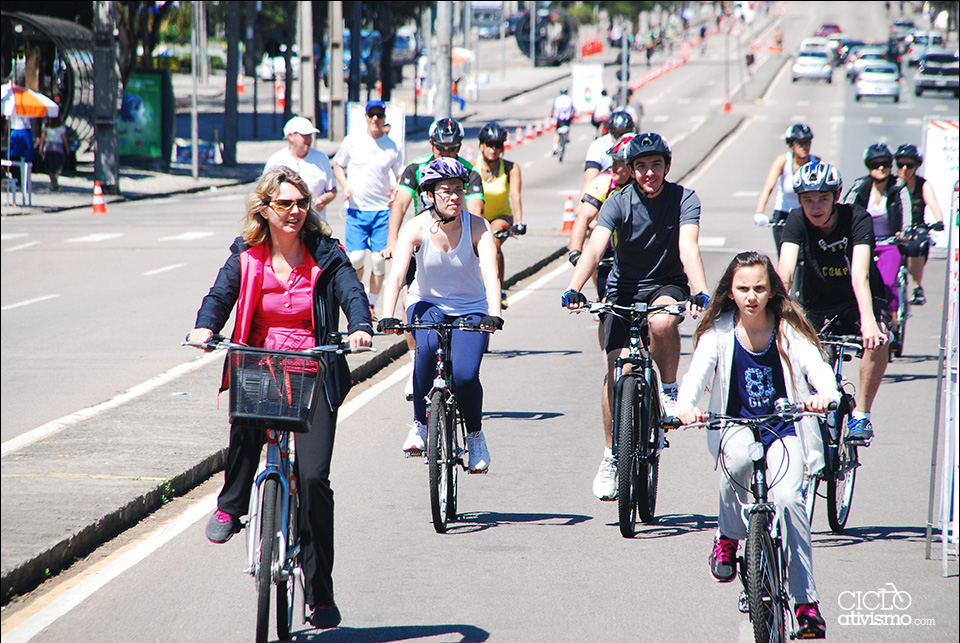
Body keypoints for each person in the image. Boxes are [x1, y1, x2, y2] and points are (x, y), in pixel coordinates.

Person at [187, 167, 374, 630]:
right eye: (285, 203)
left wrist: (359, 326)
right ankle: (232, 506)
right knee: (246, 431)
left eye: (301, 203)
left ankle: (320, 591)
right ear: (265, 208)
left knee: (313, 480)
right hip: (261, 365)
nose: (294, 212)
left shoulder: (326, 254)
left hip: (314, 369)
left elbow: (351, 292)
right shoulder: (247, 255)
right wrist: (206, 327)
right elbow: (219, 296)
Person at [675, 251, 835, 639]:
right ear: (730, 291)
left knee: (790, 500)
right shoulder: (719, 333)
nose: (751, 296)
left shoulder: (787, 329)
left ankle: (806, 605)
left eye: (759, 288)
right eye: (743, 288)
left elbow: (817, 366)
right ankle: (728, 537)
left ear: (772, 291)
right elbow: (696, 376)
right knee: (738, 460)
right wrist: (685, 408)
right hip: (736, 425)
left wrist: (825, 394)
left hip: (785, 428)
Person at [562, 133, 710, 500]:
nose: (649, 173)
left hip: (666, 285)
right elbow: (595, 248)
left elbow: (688, 247)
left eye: (656, 164)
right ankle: (612, 456)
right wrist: (574, 287)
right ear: (630, 169)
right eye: (641, 166)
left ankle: (670, 389)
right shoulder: (617, 201)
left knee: (662, 322)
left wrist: (700, 289)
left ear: (667, 166)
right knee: (616, 374)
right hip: (623, 289)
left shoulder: (684, 199)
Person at [378, 158, 503, 470]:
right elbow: (397, 275)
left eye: (459, 190)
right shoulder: (416, 227)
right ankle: (420, 426)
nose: (454, 197)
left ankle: (475, 437)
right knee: (427, 349)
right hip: (427, 303)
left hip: (470, 307)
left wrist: (494, 313)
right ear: (430, 195)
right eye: (446, 191)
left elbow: (490, 272)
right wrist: (387, 315)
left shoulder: (478, 226)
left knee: (464, 375)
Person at [778, 161, 889, 446]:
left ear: (837, 196)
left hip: (859, 299)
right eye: (807, 200)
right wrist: (775, 315)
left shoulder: (857, 218)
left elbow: (860, 274)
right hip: (818, 303)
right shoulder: (796, 220)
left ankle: (861, 414)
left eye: (823, 199)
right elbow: (784, 273)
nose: (815, 207)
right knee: (803, 355)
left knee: (879, 339)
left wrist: (868, 321)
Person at [384, 117, 484, 404]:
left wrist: (476, 240)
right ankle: (417, 361)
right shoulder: (416, 168)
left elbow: (475, 209)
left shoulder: (468, 172)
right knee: (409, 300)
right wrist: (392, 241)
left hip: (455, 240)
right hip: (420, 242)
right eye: (442, 148)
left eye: (453, 148)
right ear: (431, 145)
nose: (447, 153)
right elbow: (400, 204)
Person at [331, 100, 404, 320]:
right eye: (371, 115)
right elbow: (338, 164)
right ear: (365, 117)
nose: (375, 119)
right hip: (357, 209)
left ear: (384, 119)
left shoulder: (391, 146)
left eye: (379, 115)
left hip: (382, 211)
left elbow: (400, 175)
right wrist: (345, 186)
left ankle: (371, 304)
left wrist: (395, 193)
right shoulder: (353, 140)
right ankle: (359, 296)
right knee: (356, 258)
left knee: (379, 260)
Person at [841, 143, 913, 348]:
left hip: (890, 243)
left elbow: (906, 212)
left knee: (888, 282)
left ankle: (892, 323)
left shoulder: (898, 187)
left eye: (885, 164)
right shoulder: (860, 186)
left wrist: (905, 231)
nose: (880, 168)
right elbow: (845, 209)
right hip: (863, 244)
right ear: (868, 166)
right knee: (858, 280)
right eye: (875, 164)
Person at [568, 133, 635, 302]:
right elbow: (583, 217)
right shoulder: (605, 180)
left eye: (619, 163)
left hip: (637, 255)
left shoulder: (645, 186)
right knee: (607, 304)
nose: (614, 168)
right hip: (609, 251)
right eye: (613, 162)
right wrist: (575, 252)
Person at [476, 121, 525, 309]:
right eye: (489, 144)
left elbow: (515, 195)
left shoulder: (511, 168)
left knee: (494, 243)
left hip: (501, 217)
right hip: (478, 217)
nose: (494, 149)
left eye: (498, 145)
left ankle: (498, 290)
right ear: (481, 145)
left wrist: (519, 222)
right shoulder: (472, 167)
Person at [893, 143, 945, 306]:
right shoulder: (890, 184)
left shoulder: (922, 185)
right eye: (901, 164)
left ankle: (916, 287)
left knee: (917, 245)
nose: (904, 169)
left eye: (909, 165)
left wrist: (939, 221)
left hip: (915, 228)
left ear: (917, 166)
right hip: (894, 229)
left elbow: (933, 205)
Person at [755, 124, 819, 253]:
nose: (805, 147)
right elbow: (768, 188)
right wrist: (759, 212)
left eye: (808, 142)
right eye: (801, 143)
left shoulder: (817, 162)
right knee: (786, 255)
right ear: (792, 144)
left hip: (808, 215)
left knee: (809, 256)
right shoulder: (783, 161)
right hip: (784, 215)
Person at [264, 116, 338, 219]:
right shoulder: (276, 160)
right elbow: (264, 193)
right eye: (304, 135)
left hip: (314, 221)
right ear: (291, 137)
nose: (309, 139)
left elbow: (332, 190)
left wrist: (322, 200)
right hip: (285, 222)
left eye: (310, 135)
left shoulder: (321, 159)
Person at [580, 110, 636, 199]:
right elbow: (589, 180)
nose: (621, 138)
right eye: (616, 135)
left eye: (625, 133)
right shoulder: (598, 145)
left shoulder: (637, 144)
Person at [38, 117, 69, 191]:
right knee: (60, 166)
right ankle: (55, 179)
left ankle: (53, 183)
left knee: (50, 166)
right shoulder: (61, 127)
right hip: (58, 148)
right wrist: (67, 148)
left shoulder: (46, 127)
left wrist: (41, 148)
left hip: (49, 147)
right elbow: (64, 138)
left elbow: (43, 138)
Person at [552, 88, 575, 155]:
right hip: (567, 119)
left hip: (559, 119)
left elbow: (553, 109)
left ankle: (555, 146)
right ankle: (567, 137)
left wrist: (552, 116)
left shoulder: (557, 99)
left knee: (557, 132)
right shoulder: (569, 99)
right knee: (568, 126)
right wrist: (572, 116)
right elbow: (573, 109)